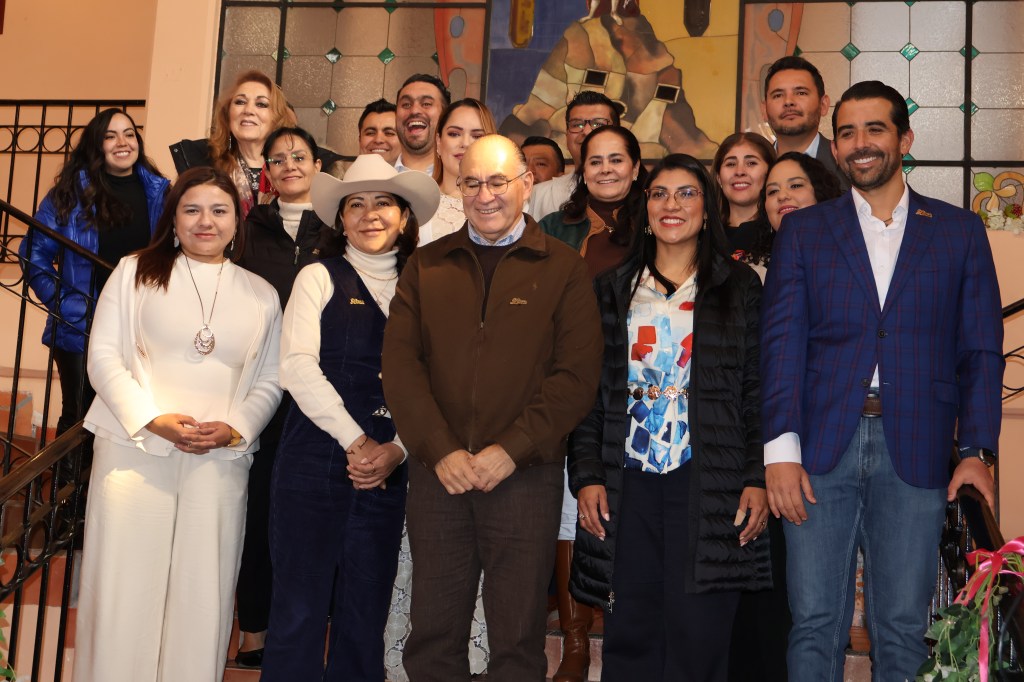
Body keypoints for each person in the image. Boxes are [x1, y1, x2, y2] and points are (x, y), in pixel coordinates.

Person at [761, 80, 1004, 681]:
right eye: (846, 132)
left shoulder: (958, 231)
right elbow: (782, 345)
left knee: (901, 626)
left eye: (875, 129)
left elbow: (980, 350)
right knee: (815, 621)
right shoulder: (806, 231)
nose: (860, 144)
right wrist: (779, 452)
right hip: (817, 453)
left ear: (905, 138)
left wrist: (976, 453)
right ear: (836, 146)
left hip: (917, 451)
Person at [382, 134, 602, 682]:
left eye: (498, 181)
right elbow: (402, 368)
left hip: (525, 476)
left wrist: (512, 450)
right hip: (441, 477)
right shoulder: (427, 265)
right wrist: (439, 450)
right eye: (473, 182)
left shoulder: (563, 269)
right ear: (459, 189)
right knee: (433, 632)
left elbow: (575, 377)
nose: (486, 195)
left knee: (517, 638)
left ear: (526, 184)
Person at [73, 167, 282, 682]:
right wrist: (152, 418)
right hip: (135, 452)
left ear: (238, 219)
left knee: (202, 593)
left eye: (219, 210)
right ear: (173, 217)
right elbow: (102, 358)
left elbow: (272, 378)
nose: (205, 221)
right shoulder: (134, 271)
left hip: (220, 461)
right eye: (191, 209)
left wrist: (235, 428)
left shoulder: (261, 294)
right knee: (125, 589)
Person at [569, 153, 771, 681]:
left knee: (699, 635)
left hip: (707, 482)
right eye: (660, 193)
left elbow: (756, 391)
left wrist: (756, 477)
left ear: (708, 209)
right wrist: (587, 473)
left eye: (687, 193)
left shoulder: (740, 287)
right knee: (629, 632)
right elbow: (587, 391)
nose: (672, 204)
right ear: (645, 207)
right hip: (627, 479)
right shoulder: (611, 289)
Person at [259, 154, 439, 681]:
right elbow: (295, 367)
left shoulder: (424, 286)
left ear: (404, 217)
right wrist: (357, 440)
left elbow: (435, 382)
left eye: (383, 202)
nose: (369, 214)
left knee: (365, 612)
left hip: (388, 469)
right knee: (298, 608)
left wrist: (398, 448)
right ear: (339, 221)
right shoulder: (318, 276)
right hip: (313, 461)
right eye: (354, 205)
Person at [231, 125, 344, 667]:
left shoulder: (340, 227)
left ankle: (313, 628)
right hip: (261, 392)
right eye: (277, 160)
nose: (289, 165)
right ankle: (253, 627)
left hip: (328, 394)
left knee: (319, 516)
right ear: (267, 173)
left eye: (299, 156)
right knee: (261, 512)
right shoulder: (247, 230)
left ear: (318, 163)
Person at [538, 123, 645, 682]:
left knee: (631, 508)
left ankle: (627, 630)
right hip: (565, 380)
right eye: (595, 161)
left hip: (640, 385)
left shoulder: (657, 223)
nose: (606, 169)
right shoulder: (557, 225)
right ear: (581, 169)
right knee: (568, 508)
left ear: (634, 165)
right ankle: (576, 642)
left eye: (616, 160)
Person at [20, 108, 169, 435]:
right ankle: (71, 486)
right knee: (80, 421)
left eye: (129, 133)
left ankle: (108, 486)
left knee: (133, 418)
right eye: (110, 135)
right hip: (81, 326)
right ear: (95, 144)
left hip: (141, 326)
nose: (122, 142)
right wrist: (62, 303)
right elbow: (33, 253)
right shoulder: (69, 194)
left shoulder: (161, 192)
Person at [170, 70, 289, 218]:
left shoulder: (294, 169)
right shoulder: (201, 165)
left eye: (261, 104)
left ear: (276, 118)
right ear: (228, 114)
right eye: (240, 102)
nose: (248, 110)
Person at [742, 151, 844, 273]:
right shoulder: (749, 273)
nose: (782, 196)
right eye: (773, 191)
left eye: (795, 186)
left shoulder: (851, 255)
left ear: (820, 193)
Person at [529, 90, 622, 221]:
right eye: (577, 125)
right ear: (567, 134)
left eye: (598, 124)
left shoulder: (643, 194)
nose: (586, 131)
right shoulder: (537, 195)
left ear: (619, 134)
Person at [762, 55, 847, 190]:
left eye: (801, 93)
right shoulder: (755, 171)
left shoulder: (847, 165)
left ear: (823, 105)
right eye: (778, 95)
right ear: (764, 110)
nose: (788, 101)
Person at [425, 98, 496, 245]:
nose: (465, 143)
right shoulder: (416, 202)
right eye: (454, 134)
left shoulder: (506, 203)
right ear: (438, 141)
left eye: (477, 136)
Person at [712, 132, 775, 256]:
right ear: (719, 178)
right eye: (731, 164)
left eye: (751, 163)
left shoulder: (783, 236)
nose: (739, 172)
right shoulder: (702, 238)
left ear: (770, 173)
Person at [395, 74, 451, 173]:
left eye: (426, 104)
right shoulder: (376, 178)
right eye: (406, 104)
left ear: (445, 116)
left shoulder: (463, 180)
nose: (414, 111)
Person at [358, 98, 400, 165]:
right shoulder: (345, 175)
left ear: (404, 140)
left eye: (389, 133)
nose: (378, 140)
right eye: (370, 133)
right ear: (360, 139)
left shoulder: (418, 175)